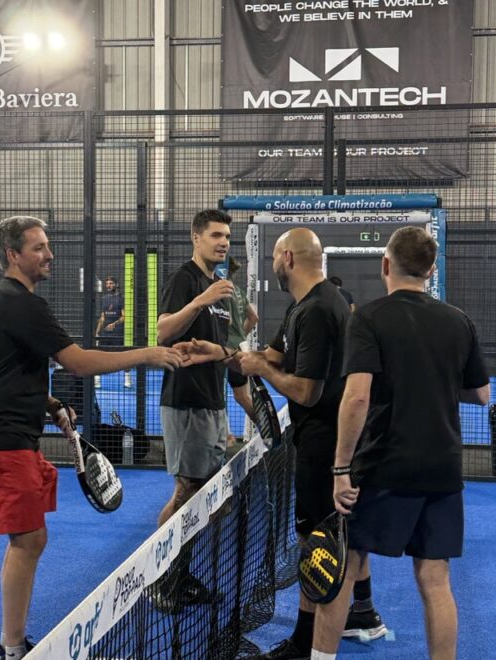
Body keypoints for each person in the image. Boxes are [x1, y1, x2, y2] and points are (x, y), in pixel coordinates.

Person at [0, 216, 184, 660]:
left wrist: (51, 404)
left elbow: (5, 369)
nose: (50, 254)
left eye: (48, 245)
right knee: (27, 540)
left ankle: (11, 641)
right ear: (13, 255)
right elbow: (78, 363)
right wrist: (147, 354)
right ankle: (10, 648)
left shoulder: (14, 301)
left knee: (30, 539)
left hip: (11, 434)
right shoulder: (20, 303)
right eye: (39, 247)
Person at [322, 226, 490, 660]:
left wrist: (340, 469)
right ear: (431, 270)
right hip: (442, 468)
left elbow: (357, 397)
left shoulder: (368, 318)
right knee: (435, 579)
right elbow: (481, 394)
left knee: (346, 566)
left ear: (386, 264)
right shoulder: (459, 321)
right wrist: (435, 379)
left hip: (384, 466)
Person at [233, 228, 385, 659]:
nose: (272, 265)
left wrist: (261, 371)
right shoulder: (306, 305)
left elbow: (305, 391)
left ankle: (307, 644)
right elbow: (273, 355)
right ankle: (353, 617)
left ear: (287, 257)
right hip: (323, 442)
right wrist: (223, 353)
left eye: (274, 257)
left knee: (316, 545)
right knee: (331, 538)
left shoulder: (317, 310)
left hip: (324, 447)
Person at [153, 209, 234, 606]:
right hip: (185, 402)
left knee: (203, 495)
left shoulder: (218, 286)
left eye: (227, 237)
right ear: (196, 237)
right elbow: (163, 331)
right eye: (216, 235)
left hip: (211, 404)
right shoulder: (185, 280)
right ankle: (162, 578)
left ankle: (179, 574)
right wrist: (200, 301)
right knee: (186, 490)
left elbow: (223, 348)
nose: (224, 242)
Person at [218, 256, 259, 445]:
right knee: (243, 396)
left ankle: (226, 437)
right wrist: (241, 335)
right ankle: (266, 428)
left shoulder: (220, 291)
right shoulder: (238, 291)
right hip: (240, 348)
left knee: (216, 394)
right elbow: (254, 317)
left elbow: (226, 321)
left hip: (224, 350)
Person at [94, 275, 131, 389]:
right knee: (99, 356)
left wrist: (114, 324)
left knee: (123, 356)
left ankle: (127, 380)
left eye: (111, 283)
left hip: (118, 333)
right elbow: (102, 317)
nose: (108, 285)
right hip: (105, 333)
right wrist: (97, 332)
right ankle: (97, 381)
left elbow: (124, 316)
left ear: (116, 284)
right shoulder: (104, 299)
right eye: (107, 284)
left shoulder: (121, 298)